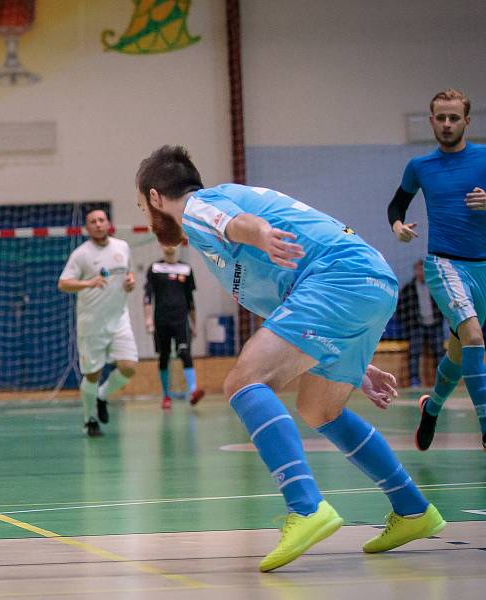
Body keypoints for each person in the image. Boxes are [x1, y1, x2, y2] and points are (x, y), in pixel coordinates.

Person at [136, 145, 445, 572]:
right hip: (365, 286)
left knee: (243, 381)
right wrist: (352, 362)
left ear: (155, 198)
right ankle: (412, 509)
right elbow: (288, 303)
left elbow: (237, 224)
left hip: (338, 278)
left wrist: (258, 232)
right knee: (320, 408)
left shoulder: (198, 207)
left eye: (143, 205)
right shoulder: (222, 226)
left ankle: (306, 507)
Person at [388, 88, 486, 451]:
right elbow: (397, 204)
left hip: (482, 269)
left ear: (467, 122)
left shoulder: (484, 158)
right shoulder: (420, 167)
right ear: (431, 121)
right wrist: (398, 227)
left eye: (454, 118)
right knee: (475, 337)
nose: (447, 124)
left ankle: (432, 407)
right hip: (444, 263)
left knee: (460, 354)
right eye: (440, 118)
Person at [58, 210, 138, 437]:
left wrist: (130, 282)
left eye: (101, 220)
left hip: (119, 318)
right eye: (93, 222)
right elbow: (63, 283)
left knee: (129, 367)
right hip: (91, 323)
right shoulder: (81, 254)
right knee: (92, 374)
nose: (98, 224)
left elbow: (128, 274)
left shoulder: (122, 247)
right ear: (87, 228)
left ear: (108, 224)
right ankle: (89, 419)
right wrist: (89, 283)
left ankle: (102, 395)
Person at [143, 244, 205, 409]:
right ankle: (166, 396)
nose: (169, 247)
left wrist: (194, 323)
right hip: (161, 320)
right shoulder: (155, 268)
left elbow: (190, 299)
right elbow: (148, 296)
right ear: (161, 246)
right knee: (164, 356)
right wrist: (148, 320)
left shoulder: (186, 268)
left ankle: (193, 391)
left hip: (181, 320)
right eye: (165, 243)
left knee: (184, 352)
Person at [396, 260, 446, 387]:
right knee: (414, 353)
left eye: (423, 270)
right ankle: (414, 381)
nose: (421, 273)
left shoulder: (435, 287)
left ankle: (442, 380)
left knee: (440, 352)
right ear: (415, 271)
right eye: (419, 270)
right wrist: (408, 324)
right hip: (417, 325)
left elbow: (443, 305)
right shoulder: (408, 289)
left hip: (435, 324)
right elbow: (401, 309)